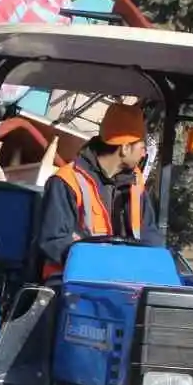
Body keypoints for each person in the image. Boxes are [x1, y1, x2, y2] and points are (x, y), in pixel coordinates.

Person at [37, 102, 164, 281]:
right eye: (142, 146)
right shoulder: (66, 181)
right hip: (71, 283)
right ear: (125, 148)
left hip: (123, 282)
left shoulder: (136, 184)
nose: (144, 154)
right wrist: (103, 261)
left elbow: (150, 236)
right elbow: (53, 242)